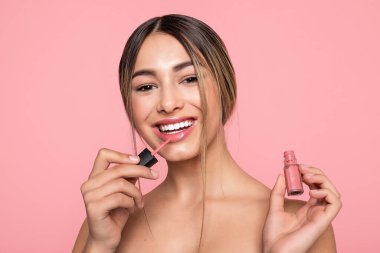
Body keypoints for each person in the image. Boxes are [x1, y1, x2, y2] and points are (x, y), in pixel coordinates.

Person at [73, 14, 342, 253]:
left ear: (226, 90)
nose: (167, 103)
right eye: (145, 87)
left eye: (190, 79)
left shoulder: (299, 223)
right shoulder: (104, 223)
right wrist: (99, 245)